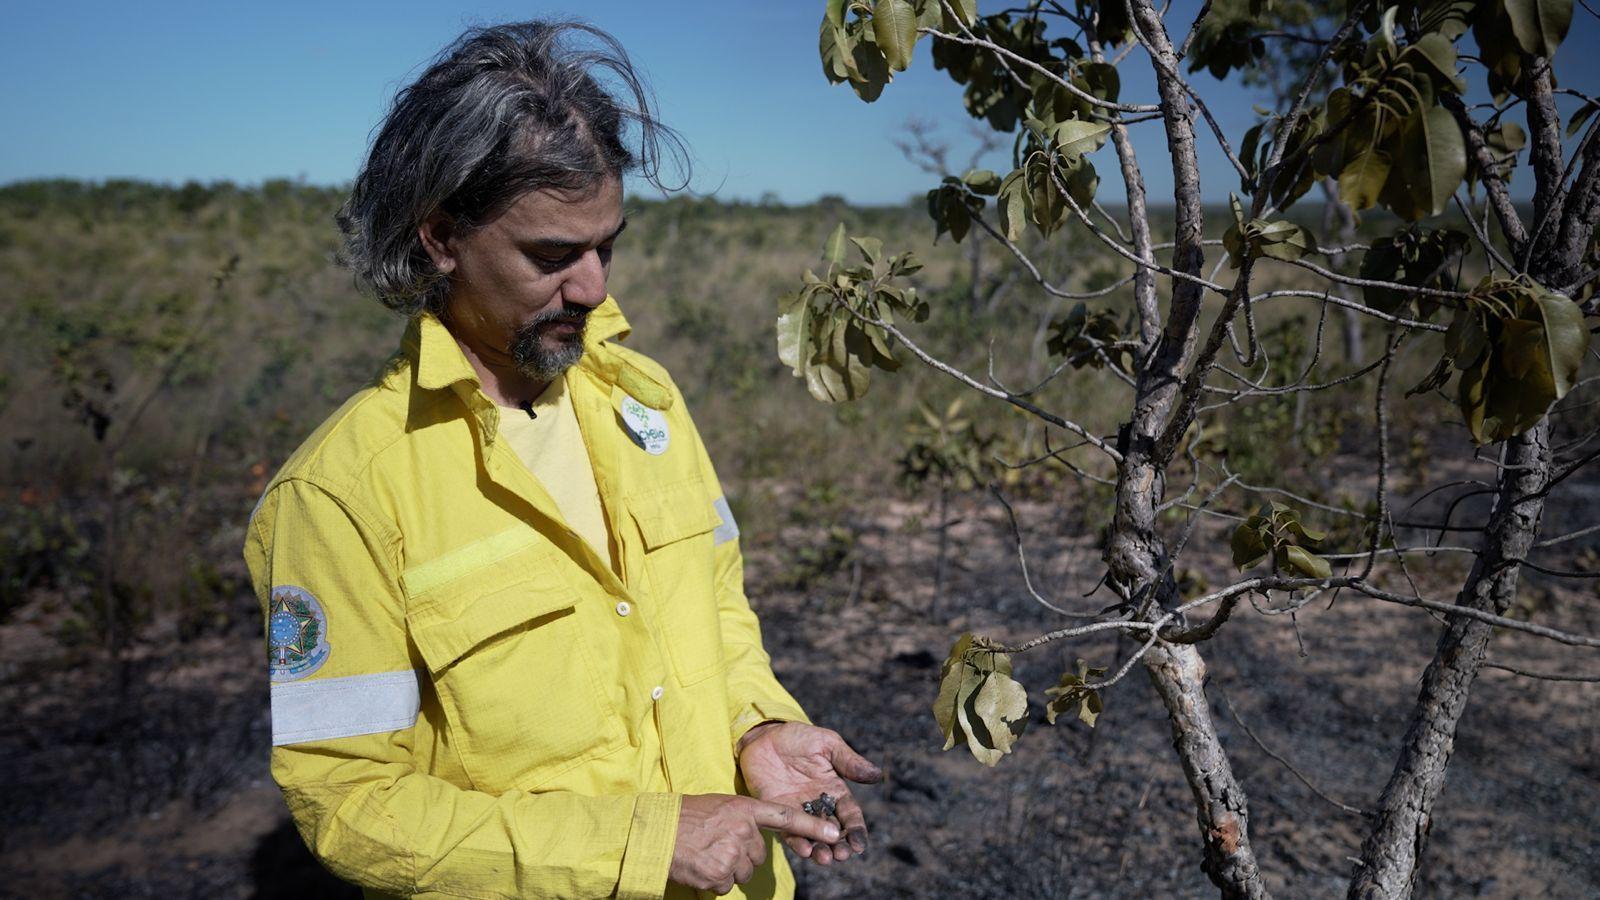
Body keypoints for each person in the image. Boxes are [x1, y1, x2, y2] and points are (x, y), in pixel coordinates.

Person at [243, 20, 881, 900]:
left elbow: (718, 610)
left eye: (606, 245)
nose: (593, 288)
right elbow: (349, 804)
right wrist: (640, 843)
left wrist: (756, 728)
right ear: (439, 238)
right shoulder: (342, 494)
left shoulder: (644, 400)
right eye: (552, 256)